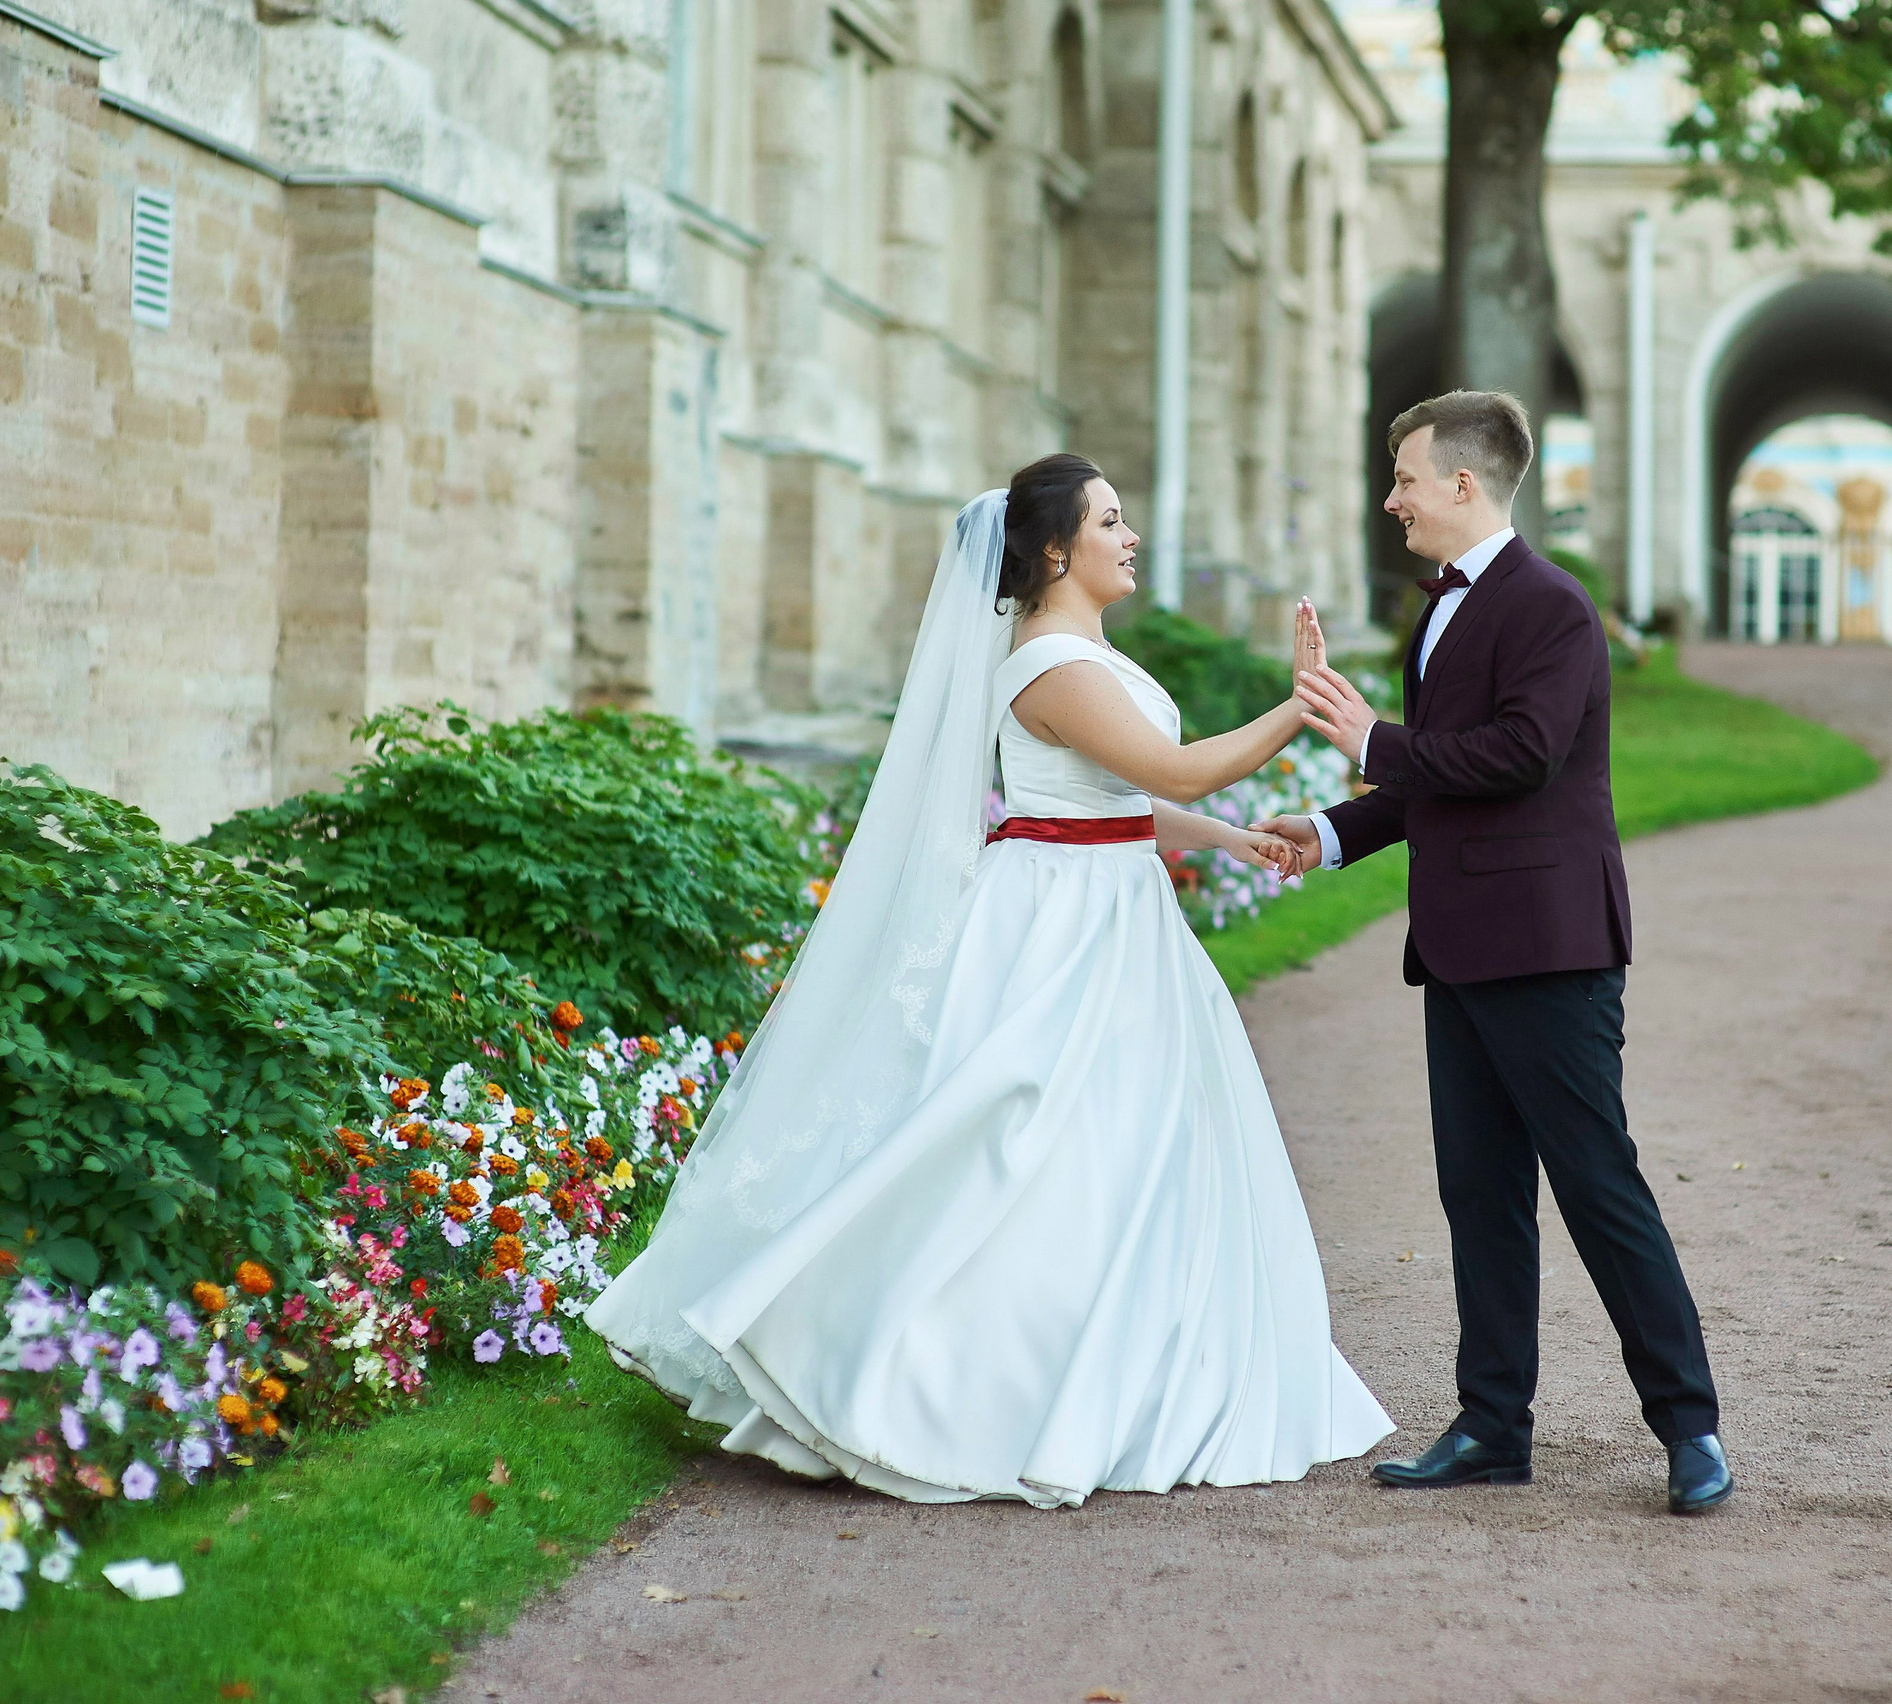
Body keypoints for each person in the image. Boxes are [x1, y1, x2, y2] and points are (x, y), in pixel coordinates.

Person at [586, 454, 1392, 1507]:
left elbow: (1118, 801)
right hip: (1062, 922)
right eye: (1109, 521)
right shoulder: (1046, 661)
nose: (1130, 537)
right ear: (1054, 551)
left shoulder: (1084, 651)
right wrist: (1300, 709)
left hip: (1113, 904)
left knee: (1124, 1149)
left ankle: (1117, 1366)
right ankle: (935, 1377)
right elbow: (1176, 768)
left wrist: (1231, 840)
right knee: (1026, 1143)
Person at [1257, 391, 1731, 1514]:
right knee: (1479, 1193)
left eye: (1405, 479)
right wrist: (1328, 831)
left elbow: (1520, 755)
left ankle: (1690, 1428)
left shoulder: (1552, 607)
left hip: (1551, 948)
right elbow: (1439, 777)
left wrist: (1371, 737)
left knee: (1597, 1184)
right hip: (1459, 948)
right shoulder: (1439, 613)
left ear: (1462, 484)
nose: (1393, 500)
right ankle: (1491, 1426)